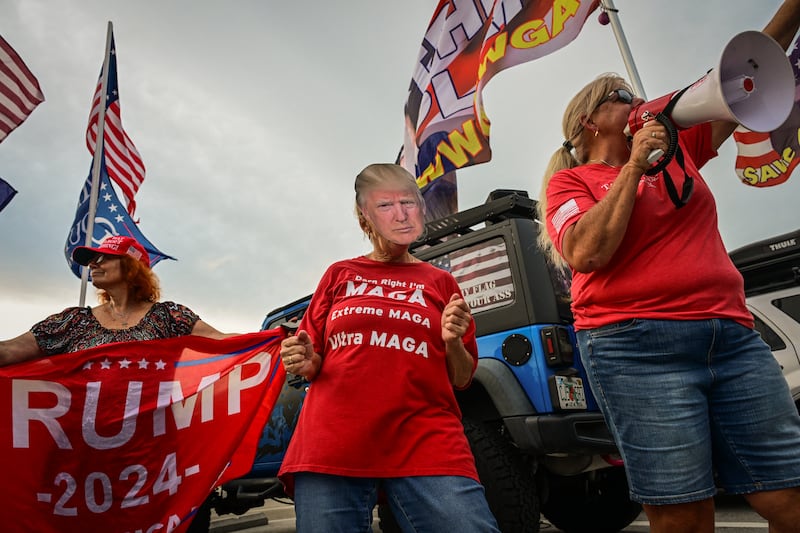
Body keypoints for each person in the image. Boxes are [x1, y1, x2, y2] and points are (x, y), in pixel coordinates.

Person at [537, 3, 800, 532]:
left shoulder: (678, 150)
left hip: (729, 335)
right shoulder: (570, 183)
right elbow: (587, 253)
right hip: (636, 347)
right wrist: (634, 166)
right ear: (589, 119)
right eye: (623, 97)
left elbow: (740, 81)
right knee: (684, 514)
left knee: (788, 496)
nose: (638, 103)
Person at [278, 163, 499, 532]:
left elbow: (462, 378)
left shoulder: (441, 282)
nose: (400, 215)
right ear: (365, 218)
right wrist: (302, 358)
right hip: (334, 440)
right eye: (385, 206)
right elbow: (313, 359)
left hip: (426, 439)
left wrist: (451, 342)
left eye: (408, 204)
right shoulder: (338, 274)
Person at [0, 235, 230, 366]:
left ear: (131, 268)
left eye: (102, 257)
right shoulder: (72, 320)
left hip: (151, 444)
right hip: (77, 443)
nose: (92, 264)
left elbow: (221, 342)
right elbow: (11, 350)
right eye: (91, 259)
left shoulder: (170, 317)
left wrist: (267, 339)